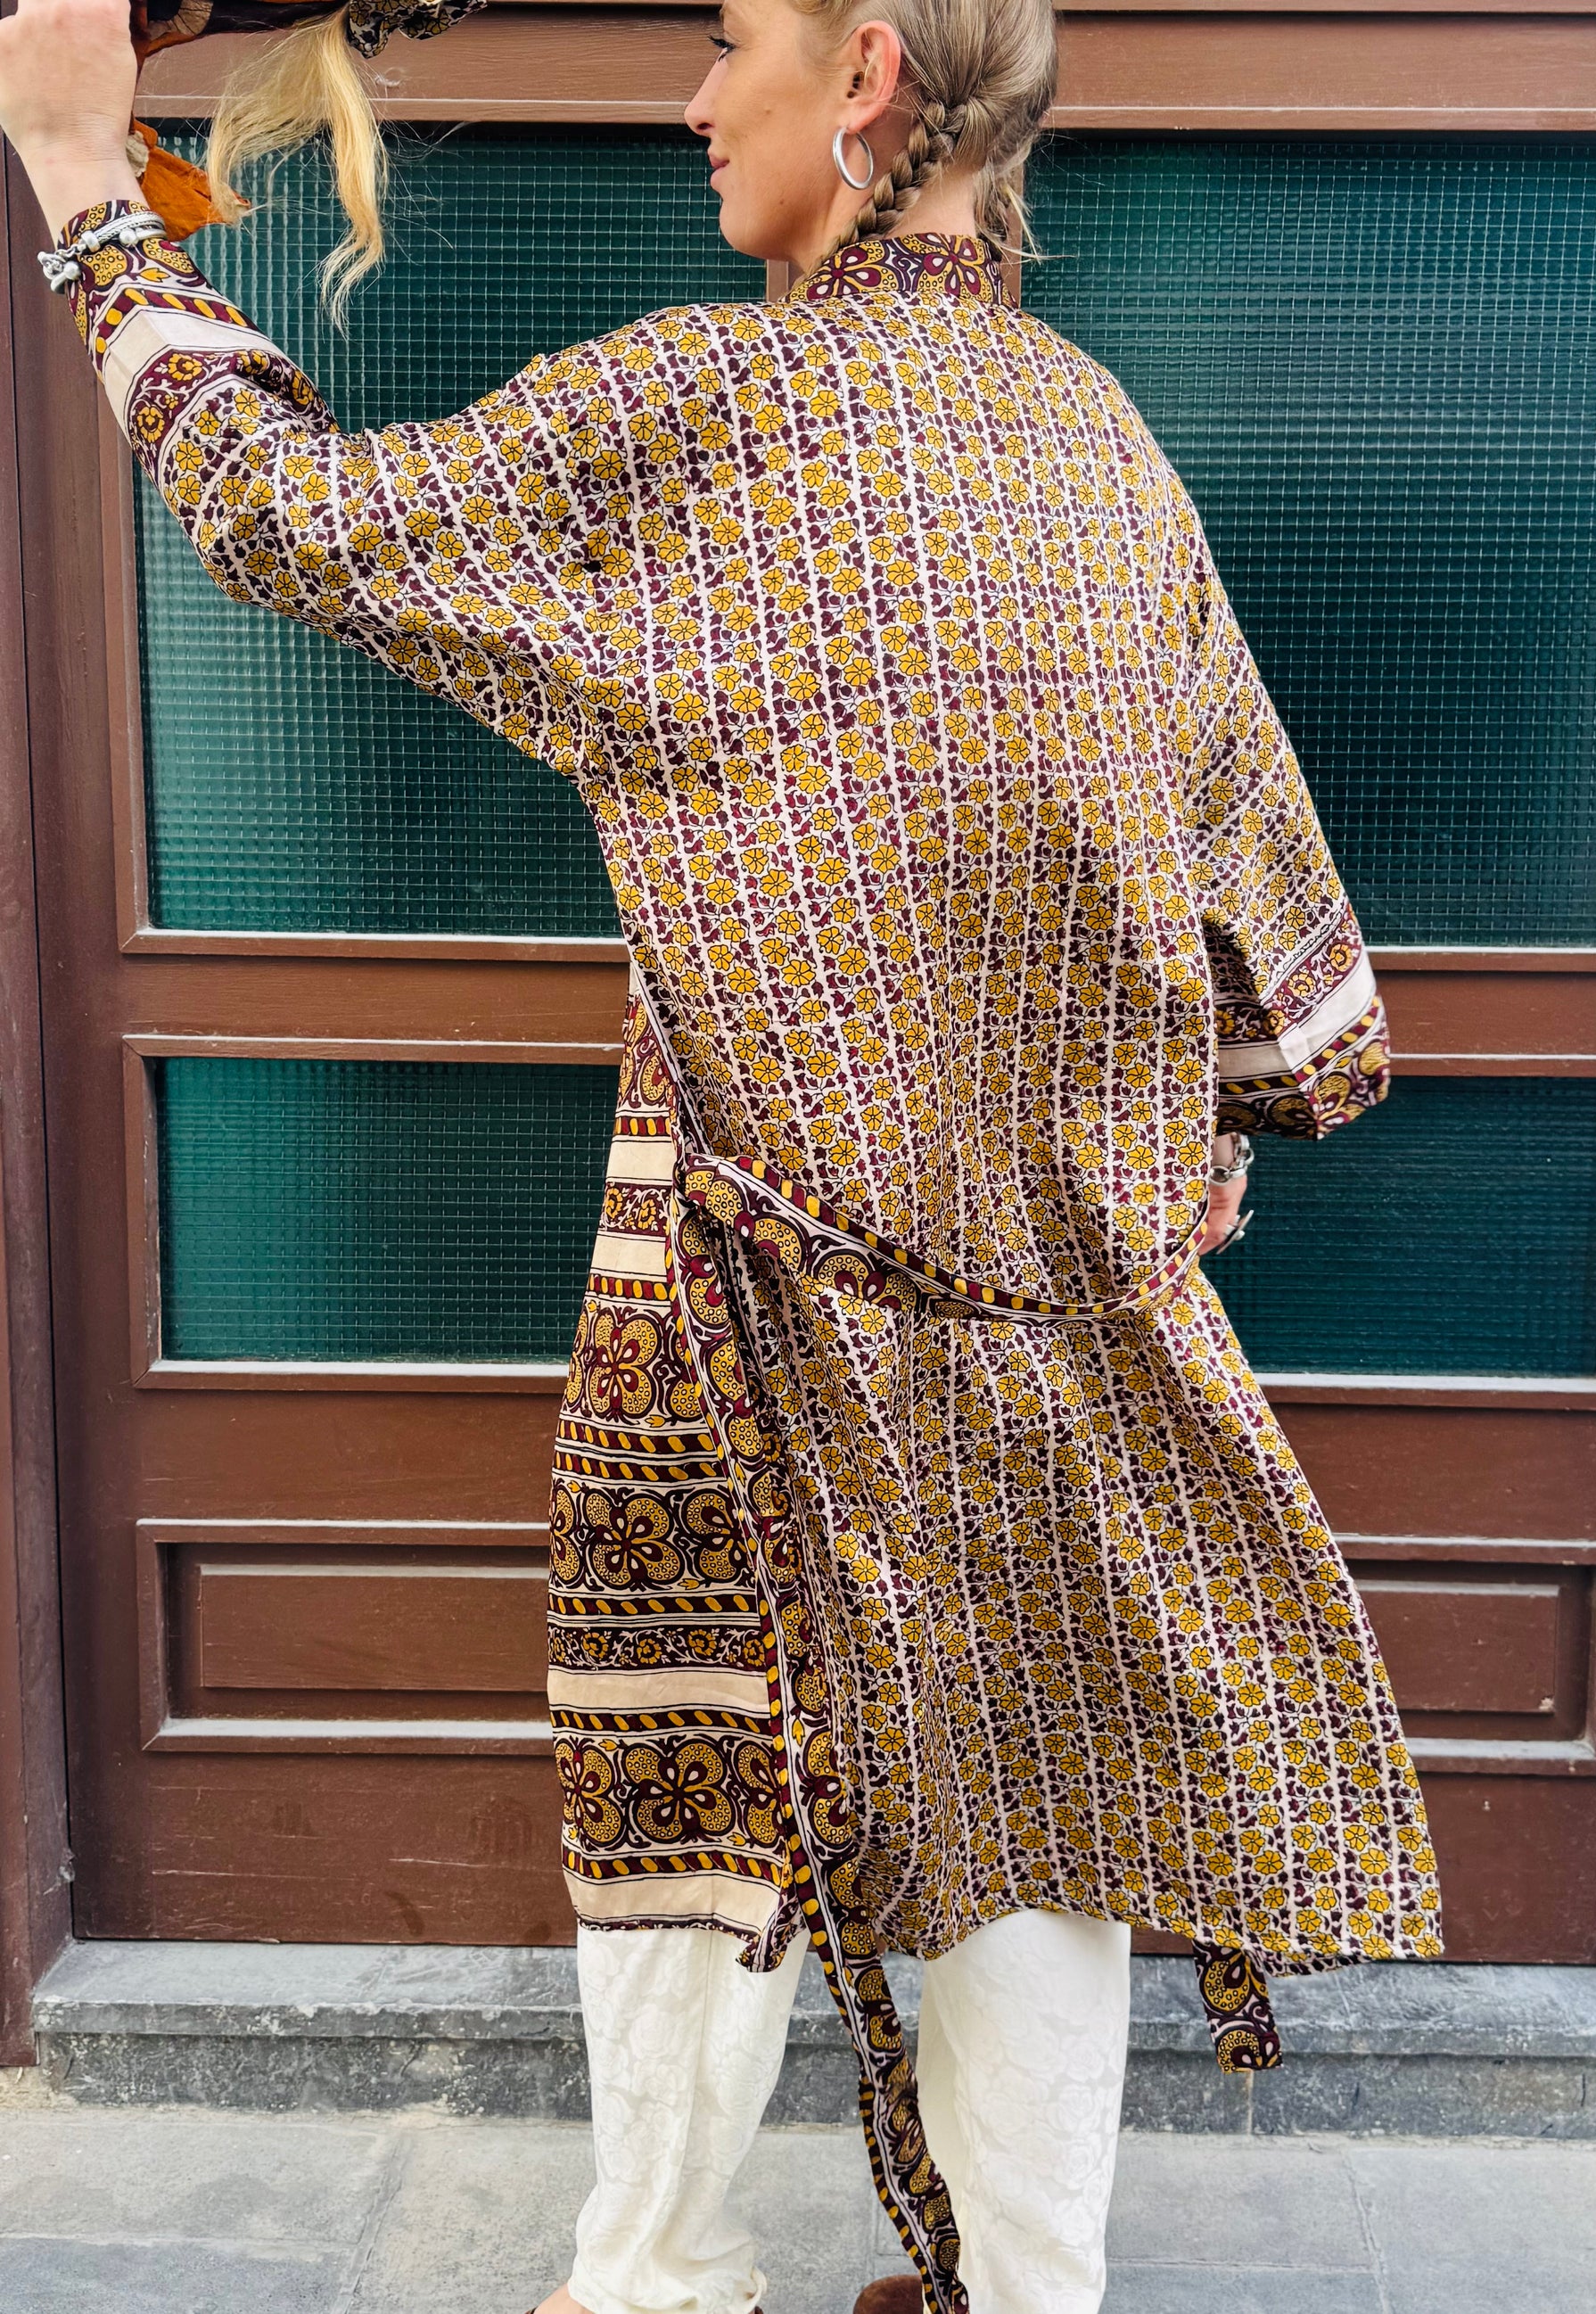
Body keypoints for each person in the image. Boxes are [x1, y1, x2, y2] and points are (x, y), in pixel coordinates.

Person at [1, 2, 1444, 2309]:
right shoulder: (1101, 447)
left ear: (863, 76)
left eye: (727, 43)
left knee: (691, 1784)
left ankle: (651, 2276)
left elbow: (289, 512)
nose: (691, 102)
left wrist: (89, 182)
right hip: (1056, 1324)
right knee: (1033, 1808)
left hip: (731, 1303)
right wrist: (1166, 1135)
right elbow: (1271, 952)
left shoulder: (708, 417)